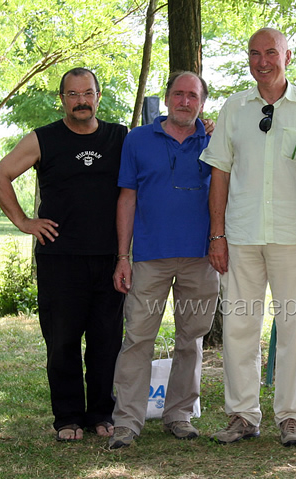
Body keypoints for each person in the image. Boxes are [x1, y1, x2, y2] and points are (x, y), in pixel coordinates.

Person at [201, 27, 296, 447]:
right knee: (240, 326)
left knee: (295, 325)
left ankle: (292, 417)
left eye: (271, 53)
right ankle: (242, 415)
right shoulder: (234, 108)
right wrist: (217, 234)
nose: (263, 61)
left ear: (288, 56)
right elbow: (219, 173)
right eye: (255, 53)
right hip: (241, 235)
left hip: (295, 236)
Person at [0, 68, 127, 441]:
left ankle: (101, 413)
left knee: (106, 341)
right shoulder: (42, 139)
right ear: (62, 99)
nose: (81, 100)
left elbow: (163, 139)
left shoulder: (120, 137)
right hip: (59, 259)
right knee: (63, 341)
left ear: (99, 96)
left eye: (87, 93)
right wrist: (24, 221)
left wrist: (203, 128)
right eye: (72, 94)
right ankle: (67, 417)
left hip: (108, 258)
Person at [107, 71, 219, 449]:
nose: (184, 101)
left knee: (192, 339)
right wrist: (124, 256)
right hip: (150, 258)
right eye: (178, 94)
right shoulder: (138, 139)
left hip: (200, 258)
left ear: (202, 102)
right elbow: (127, 198)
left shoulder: (214, 140)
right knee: (138, 337)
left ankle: (179, 414)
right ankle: (127, 421)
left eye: (192, 96)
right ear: (167, 97)